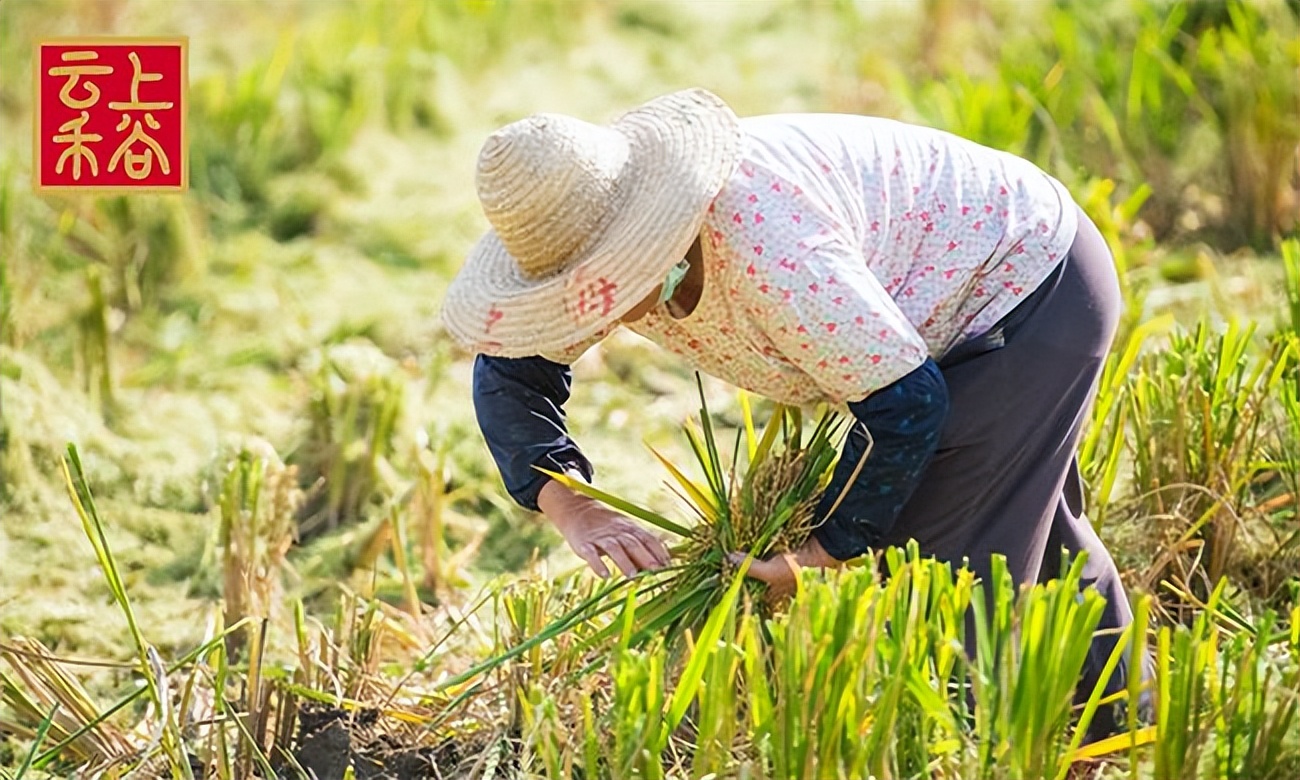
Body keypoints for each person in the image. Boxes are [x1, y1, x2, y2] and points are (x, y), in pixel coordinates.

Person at [440, 88, 1146, 730]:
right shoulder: (593, 243)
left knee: (940, 570)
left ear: (649, 237)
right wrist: (574, 505)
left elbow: (905, 408)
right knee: (1033, 530)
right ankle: (1129, 727)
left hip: (1023, 286)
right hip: (935, 326)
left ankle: (963, 747)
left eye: (601, 284)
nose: (587, 311)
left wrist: (826, 551)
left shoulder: (772, 249)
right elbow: (511, 375)